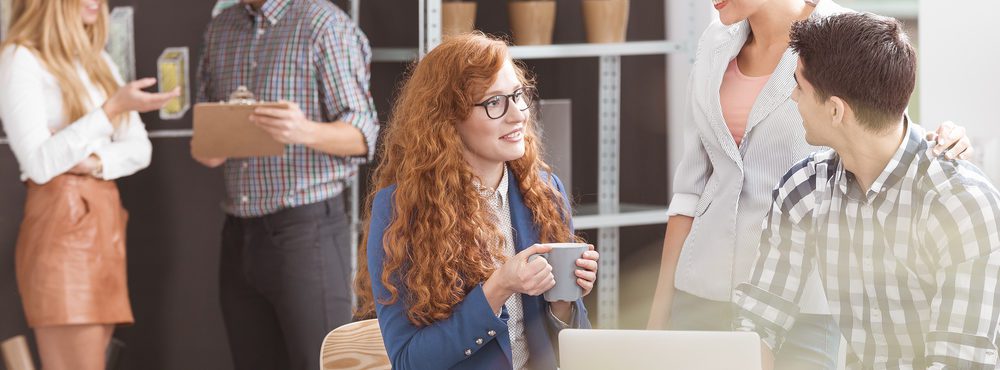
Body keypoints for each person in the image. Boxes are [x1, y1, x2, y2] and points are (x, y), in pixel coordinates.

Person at [646, 1, 974, 368]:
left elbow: (877, 128)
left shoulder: (838, 34)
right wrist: (658, 320)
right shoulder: (715, 42)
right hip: (704, 285)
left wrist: (941, 143)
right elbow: (690, 192)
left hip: (805, 301)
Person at [734, 12, 1000, 369]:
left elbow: (959, 360)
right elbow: (758, 321)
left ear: (834, 110)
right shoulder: (806, 191)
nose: (794, 96)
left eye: (799, 84)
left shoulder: (960, 204)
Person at [354, 33, 600, 370]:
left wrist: (563, 303)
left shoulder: (544, 191)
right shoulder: (400, 211)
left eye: (518, 95)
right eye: (494, 102)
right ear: (448, 119)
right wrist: (498, 288)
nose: (518, 115)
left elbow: (571, 350)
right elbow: (409, 361)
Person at [191, 0, 379, 368]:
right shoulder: (220, 28)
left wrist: (303, 130)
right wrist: (211, 143)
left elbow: (364, 136)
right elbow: (207, 122)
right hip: (238, 233)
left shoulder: (323, 24)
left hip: (305, 234)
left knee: (321, 363)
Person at [0, 0, 178, 369]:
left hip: (105, 223)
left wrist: (94, 162)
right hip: (62, 226)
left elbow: (139, 149)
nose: (96, 2)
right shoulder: (21, 59)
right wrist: (108, 112)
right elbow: (38, 163)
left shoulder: (97, 60)